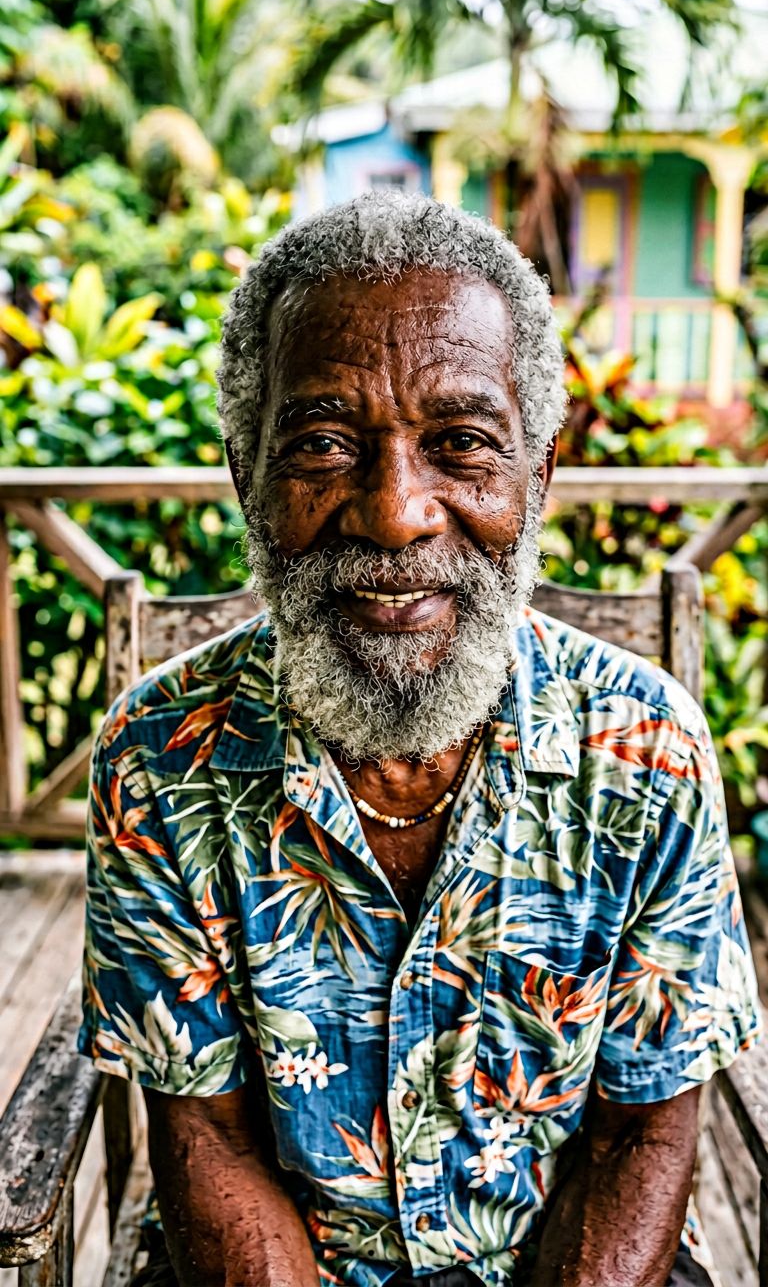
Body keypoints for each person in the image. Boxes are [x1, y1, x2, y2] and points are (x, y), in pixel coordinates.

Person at [79, 191, 760, 1287]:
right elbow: (209, 1138)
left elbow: (640, 1136)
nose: (396, 512)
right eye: (323, 443)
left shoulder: (649, 751)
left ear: (537, 476)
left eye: (461, 443)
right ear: (249, 477)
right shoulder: (161, 759)